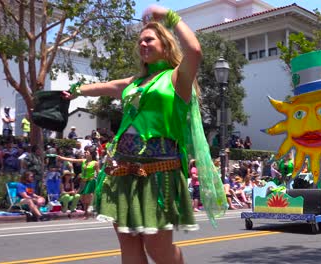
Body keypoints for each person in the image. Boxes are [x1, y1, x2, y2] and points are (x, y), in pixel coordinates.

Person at [62, 5, 226, 264]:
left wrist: (170, 17)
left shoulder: (176, 78)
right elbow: (105, 87)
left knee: (157, 248)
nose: (143, 44)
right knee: (128, 244)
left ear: (165, 43)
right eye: (140, 41)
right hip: (121, 171)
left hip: (159, 173)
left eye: (149, 39)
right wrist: (75, 91)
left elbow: (194, 51)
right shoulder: (134, 82)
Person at [57, 149, 98, 219]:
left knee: (87, 196)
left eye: (87, 152)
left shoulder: (95, 163)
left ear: (91, 154)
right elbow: (72, 160)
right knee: (82, 198)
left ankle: (87, 213)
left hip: (90, 181)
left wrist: (98, 178)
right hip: (83, 181)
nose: (85, 153)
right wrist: (62, 158)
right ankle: (88, 210)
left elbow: (98, 172)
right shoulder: (83, 161)